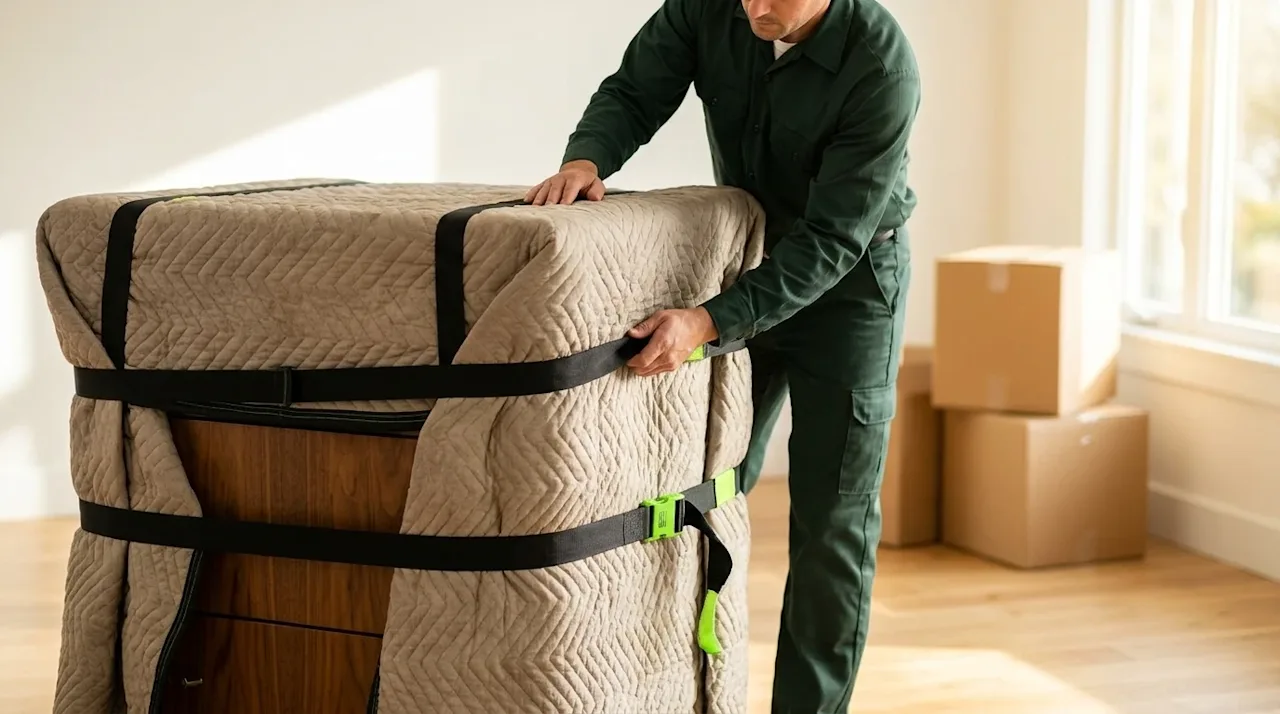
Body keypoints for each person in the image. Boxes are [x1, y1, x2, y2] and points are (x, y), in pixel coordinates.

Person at [526, 0, 919, 711]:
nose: (755, 9)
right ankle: (683, 688)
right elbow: (637, 88)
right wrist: (587, 158)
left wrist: (709, 322)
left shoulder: (880, 65)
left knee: (834, 521)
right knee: (705, 487)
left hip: (852, 290)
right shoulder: (706, 7)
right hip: (747, 266)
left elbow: (833, 241)